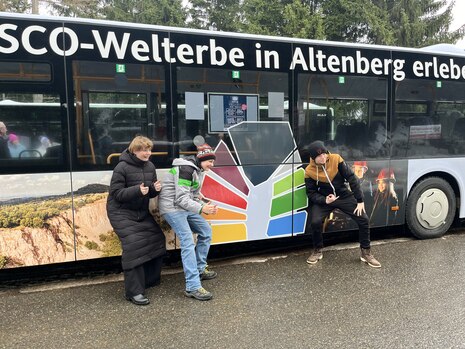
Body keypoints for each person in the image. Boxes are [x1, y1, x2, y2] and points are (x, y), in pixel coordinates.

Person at [107, 136, 166, 306]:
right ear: (134, 150)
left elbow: (149, 193)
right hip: (121, 212)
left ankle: (149, 280)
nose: (147, 153)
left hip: (140, 212)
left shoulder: (150, 166)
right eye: (143, 150)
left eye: (149, 149)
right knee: (134, 245)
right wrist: (137, 191)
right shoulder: (121, 167)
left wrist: (154, 190)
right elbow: (116, 194)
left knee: (157, 239)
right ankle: (134, 292)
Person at [304, 140, 381, 268]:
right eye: (319, 156)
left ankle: (366, 253)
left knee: (363, 219)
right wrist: (324, 200)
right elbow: (311, 193)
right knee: (315, 222)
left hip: (343, 195)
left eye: (324, 153)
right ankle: (317, 250)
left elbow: (352, 178)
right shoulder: (309, 171)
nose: (323, 157)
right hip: (325, 199)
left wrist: (360, 200)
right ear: (313, 158)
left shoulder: (336, 159)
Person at [158, 143, 218, 301]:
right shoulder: (186, 169)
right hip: (172, 208)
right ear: (201, 159)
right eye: (210, 161)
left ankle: (199, 268)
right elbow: (181, 198)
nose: (212, 164)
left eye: (213, 161)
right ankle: (192, 286)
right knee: (187, 241)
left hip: (184, 207)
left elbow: (194, 194)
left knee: (206, 231)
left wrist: (204, 203)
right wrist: (201, 209)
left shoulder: (199, 170)